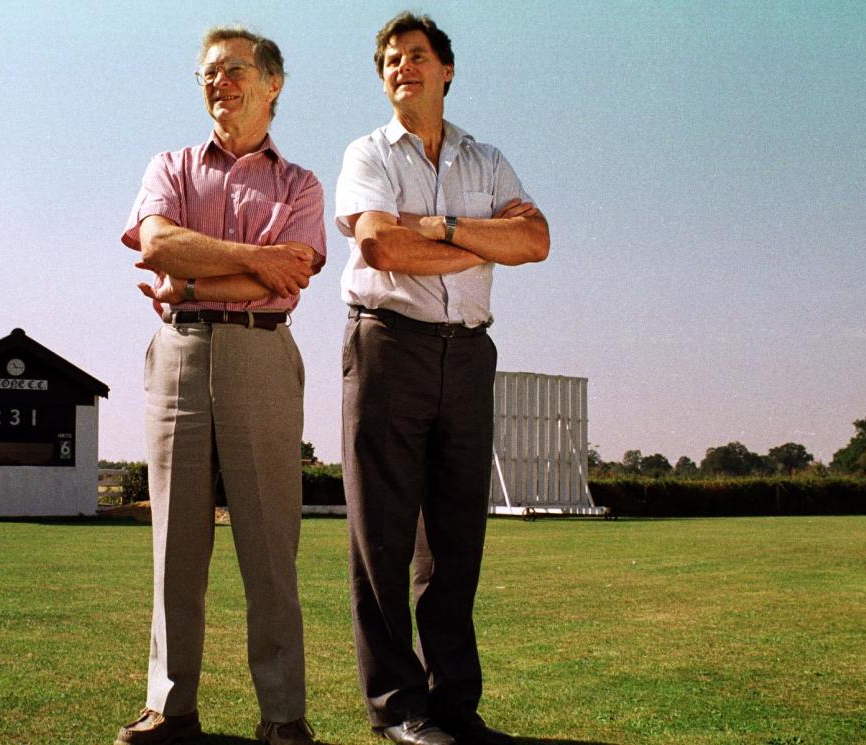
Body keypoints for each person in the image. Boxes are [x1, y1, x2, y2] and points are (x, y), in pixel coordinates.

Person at [334, 12, 550, 745]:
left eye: (417, 56)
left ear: (447, 70)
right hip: (387, 344)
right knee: (383, 538)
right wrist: (481, 241)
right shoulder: (366, 154)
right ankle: (398, 706)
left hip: (467, 353)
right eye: (390, 60)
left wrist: (442, 228)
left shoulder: (486, 159)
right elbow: (379, 244)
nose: (403, 67)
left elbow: (536, 239)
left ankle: (455, 703)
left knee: (455, 537)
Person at [117, 25, 325, 745]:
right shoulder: (170, 166)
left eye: (234, 69)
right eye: (208, 71)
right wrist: (249, 262)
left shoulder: (299, 183)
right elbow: (155, 243)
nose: (218, 81)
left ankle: (282, 714)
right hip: (178, 352)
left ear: (272, 84)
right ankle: (169, 708)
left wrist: (193, 273)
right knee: (176, 540)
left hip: (263, 353)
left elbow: (292, 270)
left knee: (270, 543)